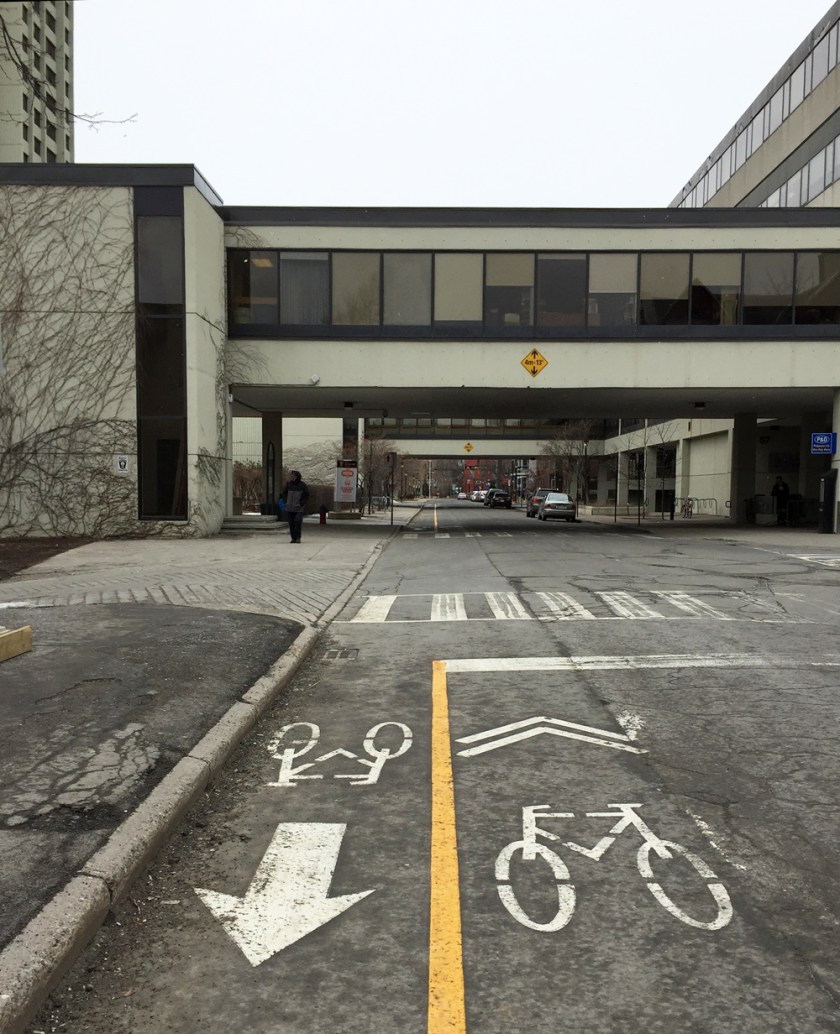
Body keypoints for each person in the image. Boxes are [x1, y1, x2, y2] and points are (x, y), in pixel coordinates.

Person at [280, 469, 309, 543]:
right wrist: (286, 501)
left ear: (297, 477)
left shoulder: (302, 485)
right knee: (291, 523)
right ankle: (293, 538)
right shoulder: (288, 484)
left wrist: (301, 503)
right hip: (289, 507)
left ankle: (298, 537)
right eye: (291, 476)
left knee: (298, 522)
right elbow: (284, 493)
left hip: (298, 508)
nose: (292, 478)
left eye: (293, 476)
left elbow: (306, 495)